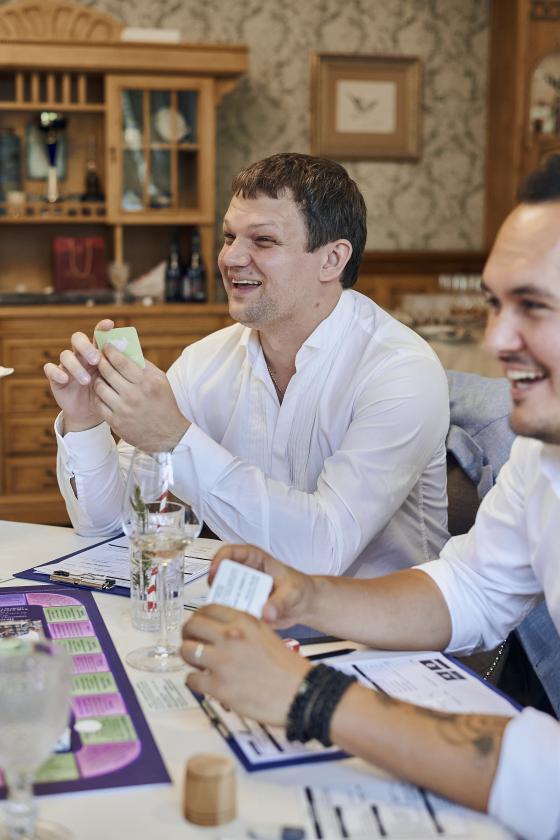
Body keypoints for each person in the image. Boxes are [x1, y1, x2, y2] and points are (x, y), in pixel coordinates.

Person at [180, 156, 560, 840]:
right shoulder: (544, 452)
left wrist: (311, 699)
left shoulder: (397, 363)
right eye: (494, 304)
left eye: (532, 306)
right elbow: (471, 589)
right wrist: (306, 594)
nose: (495, 340)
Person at [45, 153, 449, 578]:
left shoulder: (401, 371)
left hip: (377, 616)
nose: (231, 258)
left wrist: (175, 438)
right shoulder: (204, 362)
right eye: (228, 237)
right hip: (242, 605)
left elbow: (323, 552)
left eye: (263, 240)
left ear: (332, 260)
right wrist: (85, 422)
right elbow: (112, 526)